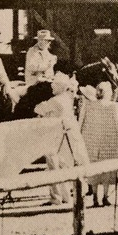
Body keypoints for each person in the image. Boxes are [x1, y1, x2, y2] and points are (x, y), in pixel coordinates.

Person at [34, 72, 84, 205]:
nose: (52, 88)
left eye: (54, 85)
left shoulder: (55, 100)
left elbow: (38, 109)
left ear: (60, 86)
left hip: (55, 137)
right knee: (64, 165)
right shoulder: (67, 99)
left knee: (53, 165)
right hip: (65, 136)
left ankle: (56, 197)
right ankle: (66, 196)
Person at [79, 81, 118, 207]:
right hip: (109, 142)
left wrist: (80, 138)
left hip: (92, 142)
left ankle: (95, 198)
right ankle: (105, 197)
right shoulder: (114, 106)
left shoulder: (89, 105)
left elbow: (81, 122)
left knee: (94, 170)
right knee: (107, 169)